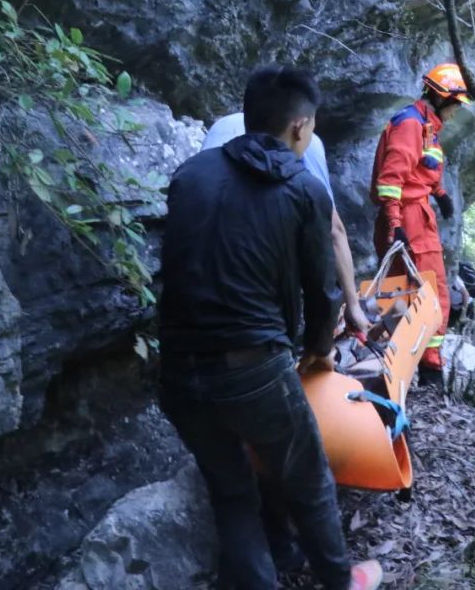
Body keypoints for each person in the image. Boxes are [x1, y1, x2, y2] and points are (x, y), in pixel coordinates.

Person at [158, 65, 382, 590]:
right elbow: (321, 292)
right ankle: (341, 580)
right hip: (251, 367)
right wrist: (320, 351)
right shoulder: (304, 190)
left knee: (233, 492)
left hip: (176, 371)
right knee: (308, 479)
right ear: (300, 127)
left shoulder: (190, 175)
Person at [202, 112, 370, 334]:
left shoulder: (222, 128)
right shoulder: (309, 145)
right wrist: (352, 305)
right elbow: (333, 230)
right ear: (300, 127)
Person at [369, 62, 471, 378]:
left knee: (402, 291)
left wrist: (439, 192)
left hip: (409, 214)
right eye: (455, 104)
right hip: (408, 216)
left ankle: (398, 359)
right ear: (442, 98)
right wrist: (397, 224)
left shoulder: (425, 126)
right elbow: (391, 180)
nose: (455, 112)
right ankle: (429, 364)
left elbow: (421, 167)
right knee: (432, 290)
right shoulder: (411, 124)